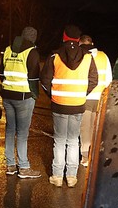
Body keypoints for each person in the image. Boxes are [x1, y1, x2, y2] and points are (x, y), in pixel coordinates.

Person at [40, 24, 98, 188]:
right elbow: (94, 80)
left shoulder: (55, 56)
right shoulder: (88, 57)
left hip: (59, 104)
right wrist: (81, 93)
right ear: (78, 40)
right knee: (73, 141)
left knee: (59, 141)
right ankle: (71, 177)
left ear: (64, 37)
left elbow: (44, 80)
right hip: (78, 104)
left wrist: (53, 96)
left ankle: (57, 176)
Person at [0, 26, 42, 178]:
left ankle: (10, 165)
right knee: (22, 134)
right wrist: (34, 95)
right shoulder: (32, 52)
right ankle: (24, 167)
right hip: (24, 97)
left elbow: (1, 72)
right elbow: (33, 78)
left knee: (10, 130)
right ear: (33, 38)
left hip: (7, 95)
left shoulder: (7, 50)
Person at [78, 34, 112, 167]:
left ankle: (85, 157)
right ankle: (95, 155)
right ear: (93, 43)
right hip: (99, 98)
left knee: (84, 128)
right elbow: (109, 79)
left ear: (81, 44)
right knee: (95, 128)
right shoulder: (104, 56)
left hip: (85, 97)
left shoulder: (81, 56)